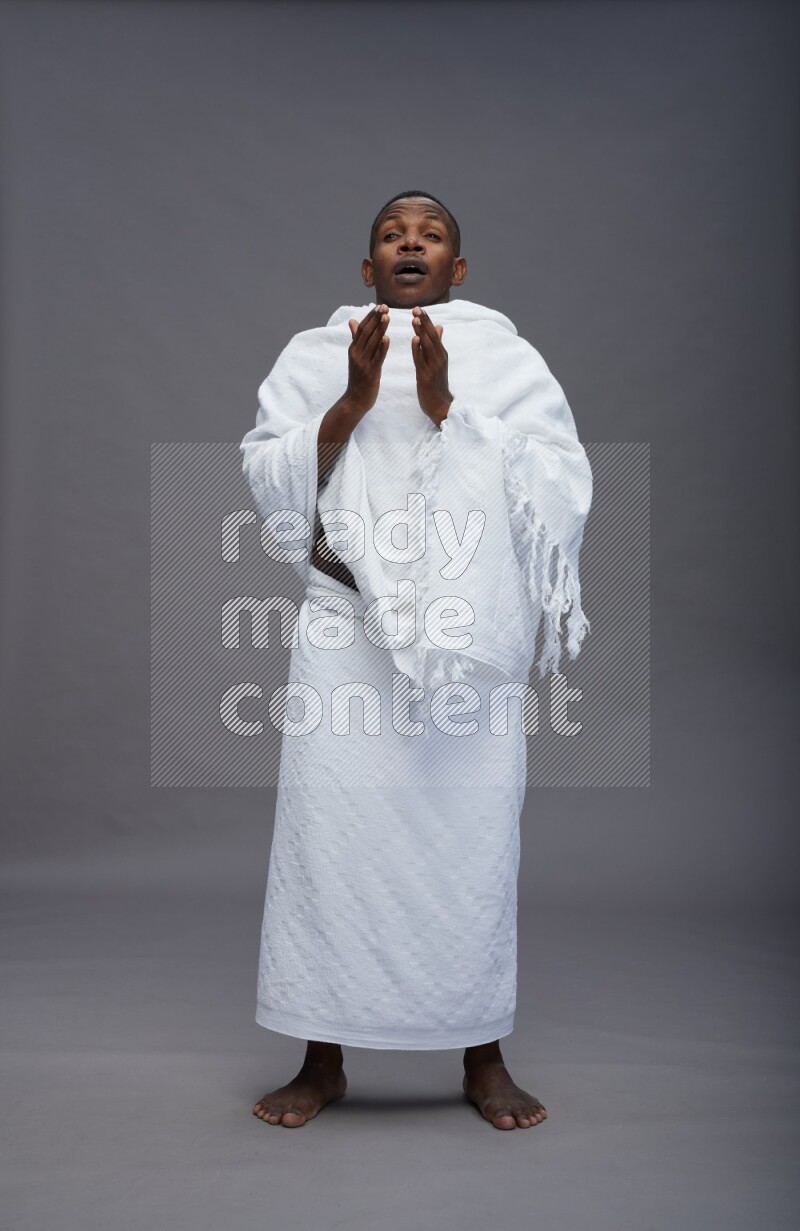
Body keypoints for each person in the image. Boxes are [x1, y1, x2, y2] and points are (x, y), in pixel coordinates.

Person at [240, 191, 592, 1129]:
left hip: (461, 637)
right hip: (344, 624)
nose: (410, 242)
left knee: (468, 839)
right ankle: (321, 1057)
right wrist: (352, 402)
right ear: (367, 269)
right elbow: (268, 471)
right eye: (393, 234)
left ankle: (481, 1050)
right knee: (330, 839)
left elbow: (559, 481)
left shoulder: (503, 359)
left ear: (458, 269)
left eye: (430, 234)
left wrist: (449, 410)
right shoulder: (316, 354)